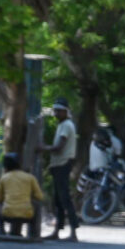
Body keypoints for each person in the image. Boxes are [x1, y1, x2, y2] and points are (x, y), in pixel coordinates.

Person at [37, 100, 78, 241]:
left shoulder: (66, 125)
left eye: (59, 111)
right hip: (58, 165)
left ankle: (73, 232)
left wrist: (43, 148)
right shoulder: (62, 125)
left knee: (64, 198)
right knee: (58, 200)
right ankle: (57, 231)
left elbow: (59, 147)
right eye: (55, 111)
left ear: (66, 111)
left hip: (63, 164)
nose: (56, 113)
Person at [0, 153, 40, 238]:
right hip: (27, 215)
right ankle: (33, 233)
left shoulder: (4, 178)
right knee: (36, 204)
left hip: (8, 215)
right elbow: (39, 196)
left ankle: (1, 230)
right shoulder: (30, 177)